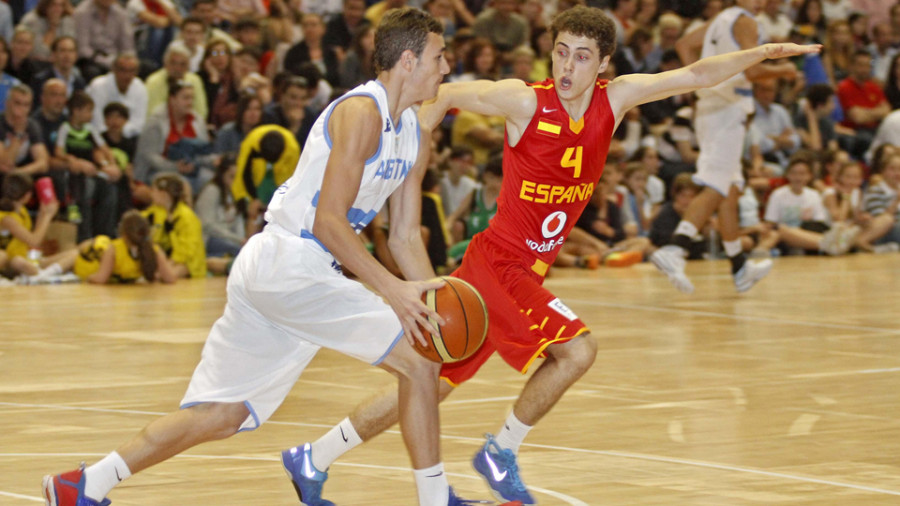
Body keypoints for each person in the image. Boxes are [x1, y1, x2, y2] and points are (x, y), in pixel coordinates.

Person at [291, 6, 821, 505]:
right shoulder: (523, 101)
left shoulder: (616, 100)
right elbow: (445, 93)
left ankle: (313, 457)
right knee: (577, 351)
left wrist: (761, 52)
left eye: (583, 55)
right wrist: (417, 145)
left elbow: (698, 74)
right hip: (500, 266)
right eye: (561, 51)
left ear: (604, 63)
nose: (568, 65)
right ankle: (500, 451)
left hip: (508, 270)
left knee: (429, 382)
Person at [41, 9, 496, 506]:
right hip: (291, 261)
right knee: (419, 362)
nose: (447, 67)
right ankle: (435, 500)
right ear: (408, 60)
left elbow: (406, 237)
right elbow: (328, 223)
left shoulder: (416, 134)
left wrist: (429, 300)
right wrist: (393, 293)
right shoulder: (360, 112)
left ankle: (85, 484)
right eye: (439, 55)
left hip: (289, 273)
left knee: (222, 414)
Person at [650, 0, 803, 294]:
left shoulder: (722, 18)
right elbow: (754, 72)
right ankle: (675, 248)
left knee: (730, 189)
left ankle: (738, 266)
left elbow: (684, 44)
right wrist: (784, 70)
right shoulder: (746, 21)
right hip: (728, 109)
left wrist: (699, 86)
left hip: (711, 106)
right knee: (718, 185)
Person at [72, 209, 177, 283]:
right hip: (91, 260)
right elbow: (170, 278)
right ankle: (56, 268)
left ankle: (57, 268)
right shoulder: (154, 249)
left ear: (123, 233)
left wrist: (87, 278)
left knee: (74, 253)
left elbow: (100, 278)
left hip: (88, 266)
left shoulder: (114, 248)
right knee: (77, 252)